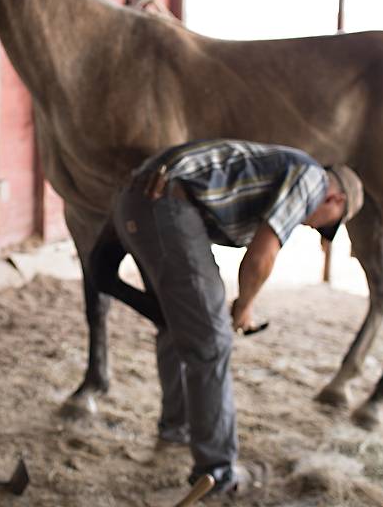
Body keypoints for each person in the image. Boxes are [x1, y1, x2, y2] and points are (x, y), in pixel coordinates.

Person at [94, 139, 363, 496]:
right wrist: (245, 305)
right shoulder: (312, 179)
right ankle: (218, 472)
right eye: (324, 225)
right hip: (168, 203)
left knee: (182, 322)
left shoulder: (275, 168)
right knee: (212, 339)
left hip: (137, 195)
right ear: (336, 201)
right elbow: (262, 255)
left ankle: (178, 427)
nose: (313, 228)